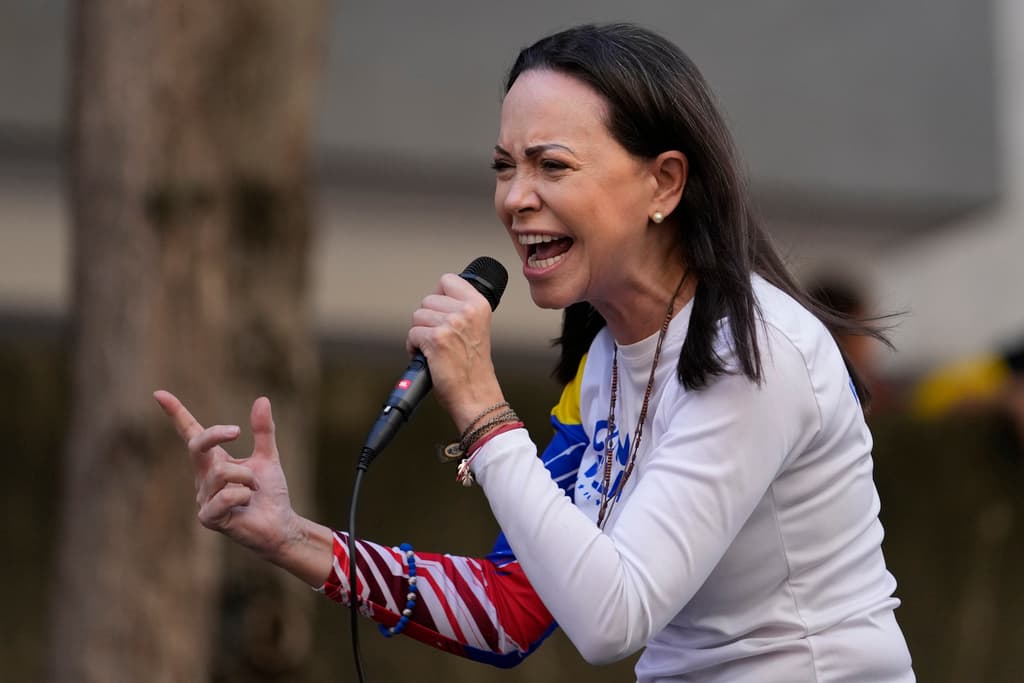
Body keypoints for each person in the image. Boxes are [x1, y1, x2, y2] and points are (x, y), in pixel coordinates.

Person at [155, 23, 914, 682]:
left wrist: (483, 409)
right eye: (504, 166)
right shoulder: (608, 362)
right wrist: (294, 537)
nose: (515, 197)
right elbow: (513, 607)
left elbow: (611, 619)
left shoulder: (754, 354)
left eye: (551, 165)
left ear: (665, 182)